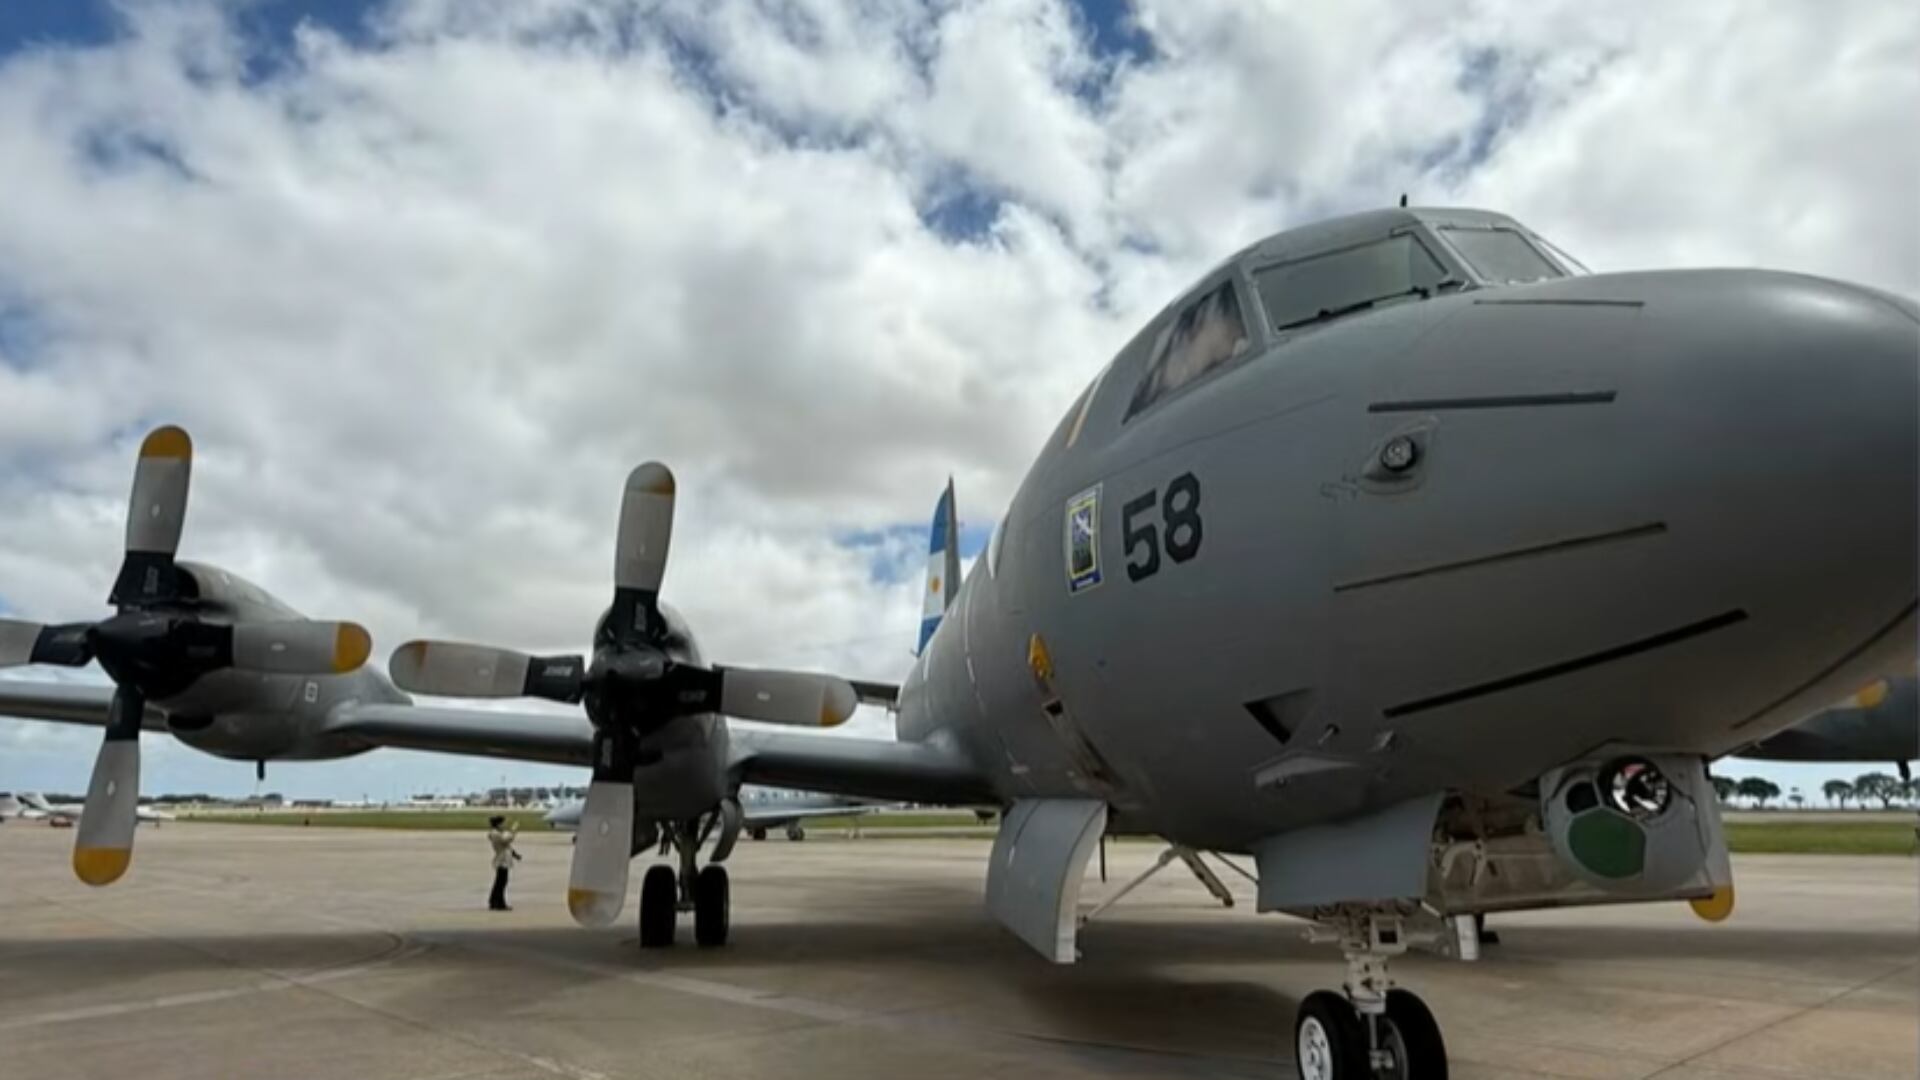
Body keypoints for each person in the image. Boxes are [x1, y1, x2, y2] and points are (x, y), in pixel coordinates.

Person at [486, 815, 520, 911]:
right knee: (501, 883)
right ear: (498, 824)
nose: (504, 825)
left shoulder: (498, 833)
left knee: (500, 882)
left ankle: (493, 901)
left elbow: (508, 846)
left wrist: (515, 854)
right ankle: (500, 903)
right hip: (502, 860)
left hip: (504, 859)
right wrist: (513, 831)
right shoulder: (495, 834)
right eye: (503, 823)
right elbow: (506, 840)